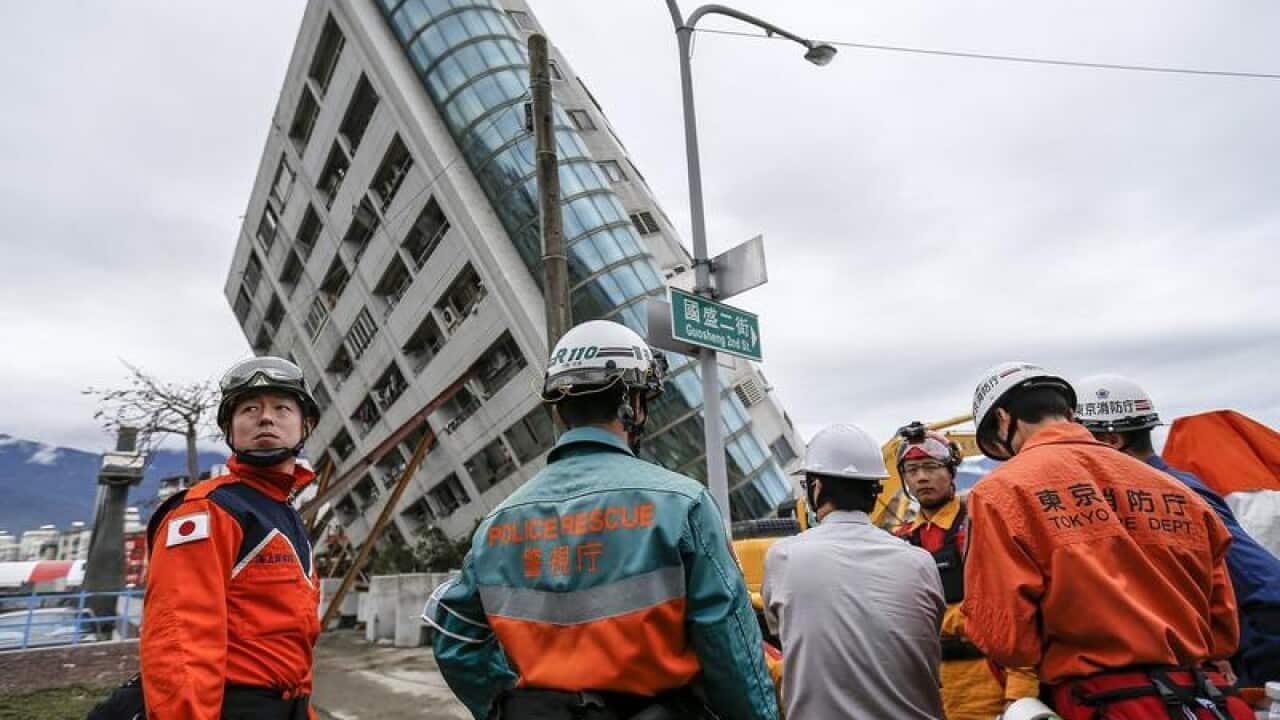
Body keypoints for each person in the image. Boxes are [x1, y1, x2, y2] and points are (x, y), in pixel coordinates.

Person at [424, 320, 778, 720]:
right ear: (633, 404)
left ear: (558, 409)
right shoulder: (684, 505)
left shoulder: (498, 524)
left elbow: (454, 636)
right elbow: (732, 655)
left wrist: (513, 704)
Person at [962, 362, 1251, 719]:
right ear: (1068, 412)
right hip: (1204, 699)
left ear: (1004, 420)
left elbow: (1007, 637)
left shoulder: (1000, 493)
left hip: (1101, 702)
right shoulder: (1181, 492)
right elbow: (1223, 627)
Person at [139, 356, 322, 720]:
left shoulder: (285, 515)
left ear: (306, 426)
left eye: (282, 408)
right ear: (230, 429)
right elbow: (180, 644)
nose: (266, 417)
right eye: (249, 409)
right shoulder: (207, 511)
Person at [1075, 374, 1280, 687]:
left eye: (1077, 443)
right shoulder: (1147, 492)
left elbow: (1265, 585)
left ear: (1112, 441)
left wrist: (1255, 679)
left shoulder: (1172, 494)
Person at [763, 423, 945, 720]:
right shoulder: (921, 562)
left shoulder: (784, 557)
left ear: (816, 487)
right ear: (875, 491)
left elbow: (781, 629)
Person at [891, 421, 1038, 720]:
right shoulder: (899, 540)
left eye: (931, 467)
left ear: (951, 470)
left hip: (989, 682)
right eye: (912, 471)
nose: (921, 478)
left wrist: (1019, 695)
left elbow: (1015, 611)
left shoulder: (979, 525)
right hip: (929, 688)